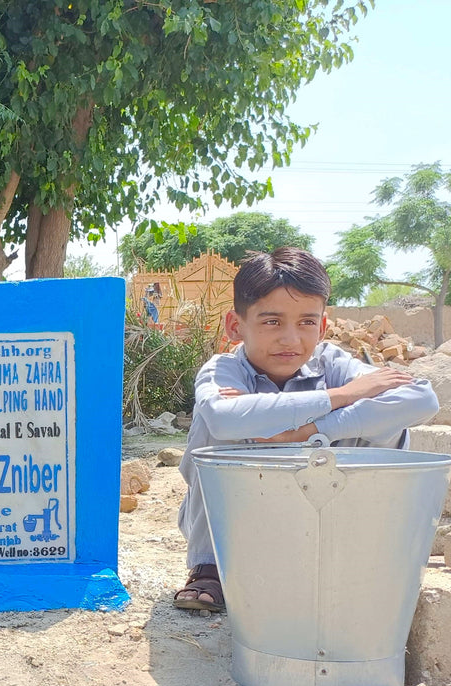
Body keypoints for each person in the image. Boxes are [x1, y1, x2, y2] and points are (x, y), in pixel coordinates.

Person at [174, 247, 439, 612]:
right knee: (211, 423)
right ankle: (210, 569)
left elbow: (422, 400)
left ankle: (356, 561)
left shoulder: (332, 362)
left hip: (322, 514)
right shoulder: (223, 370)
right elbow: (224, 417)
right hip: (242, 520)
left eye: (306, 322)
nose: (291, 339)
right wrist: (341, 396)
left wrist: (310, 429)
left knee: (387, 421)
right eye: (271, 322)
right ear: (236, 326)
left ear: (323, 326)